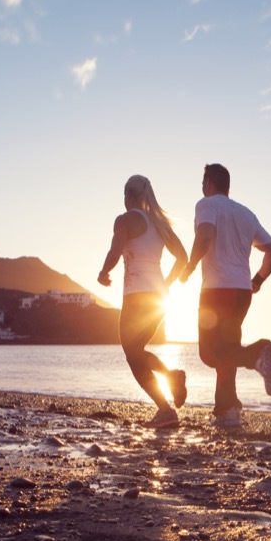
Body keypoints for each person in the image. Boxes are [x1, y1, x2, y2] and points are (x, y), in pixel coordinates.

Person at [180, 163, 271, 427]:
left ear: (209, 184)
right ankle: (228, 411)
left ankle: (257, 355)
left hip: (216, 290)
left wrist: (189, 267)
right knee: (227, 349)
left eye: (203, 183)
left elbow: (204, 236)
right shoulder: (246, 213)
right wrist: (257, 281)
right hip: (242, 292)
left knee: (209, 353)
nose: (202, 188)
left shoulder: (206, 205)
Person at [98, 175, 188, 428]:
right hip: (159, 299)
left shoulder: (124, 220)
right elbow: (183, 257)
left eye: (124, 194)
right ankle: (169, 392)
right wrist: (166, 284)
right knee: (136, 352)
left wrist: (103, 272)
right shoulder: (159, 224)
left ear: (129, 195)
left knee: (132, 353)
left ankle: (166, 404)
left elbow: (115, 251)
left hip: (135, 298)